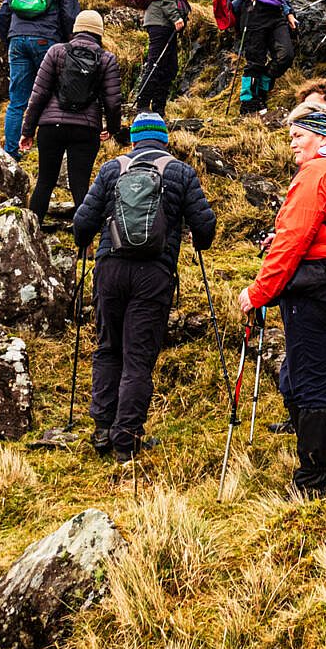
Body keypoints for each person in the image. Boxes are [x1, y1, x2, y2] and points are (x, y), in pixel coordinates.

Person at [238, 103, 326, 498]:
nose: (292, 145)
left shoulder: (315, 174)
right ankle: (320, 470)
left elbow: (292, 242)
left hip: (311, 292)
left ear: (319, 134)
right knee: (325, 374)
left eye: (298, 135)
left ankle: (316, 480)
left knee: (309, 382)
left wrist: (258, 292)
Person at [73, 111, 216, 463]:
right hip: (154, 275)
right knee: (138, 358)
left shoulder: (111, 169)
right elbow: (206, 229)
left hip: (111, 269)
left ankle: (103, 429)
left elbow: (81, 225)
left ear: (134, 139)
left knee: (108, 348)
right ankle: (127, 440)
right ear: (165, 139)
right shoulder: (180, 172)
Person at [18, 10, 126, 225]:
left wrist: (27, 131)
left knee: (45, 182)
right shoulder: (106, 59)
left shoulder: (56, 51)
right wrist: (112, 128)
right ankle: (84, 244)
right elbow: (113, 101)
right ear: (99, 32)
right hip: (86, 129)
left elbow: (38, 94)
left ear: (76, 28)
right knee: (80, 184)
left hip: (51, 127)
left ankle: (33, 233)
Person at [0, 0, 80, 160]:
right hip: (46, 41)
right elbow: (70, 16)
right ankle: (49, 151)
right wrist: (69, 45)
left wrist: (9, 38)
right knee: (52, 95)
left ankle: (11, 153)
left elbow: (4, 12)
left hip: (17, 40)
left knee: (17, 101)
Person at [137, 0, 205, 115]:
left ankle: (158, 109)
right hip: (161, 19)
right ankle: (143, 106)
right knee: (157, 63)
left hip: (159, 17)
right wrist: (175, 17)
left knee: (168, 66)